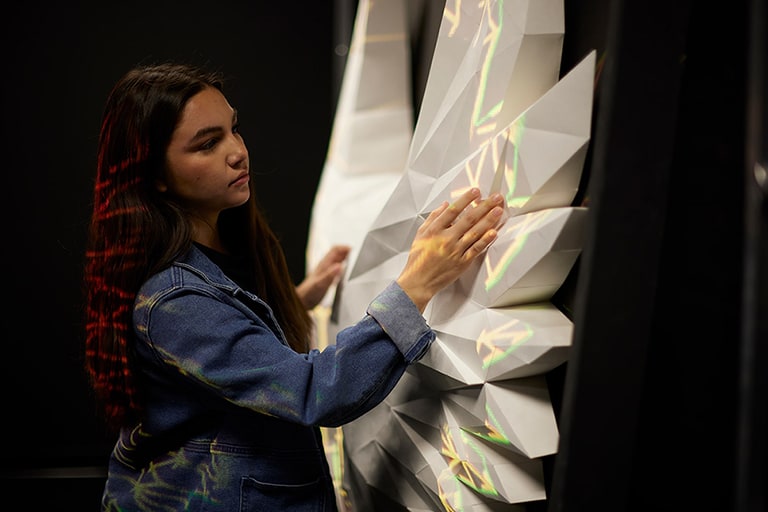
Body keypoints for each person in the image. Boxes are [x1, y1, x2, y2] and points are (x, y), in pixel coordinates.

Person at [83, 62, 503, 512]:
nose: (237, 152)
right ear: (156, 174)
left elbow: (224, 348)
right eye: (207, 144)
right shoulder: (172, 302)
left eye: (234, 129)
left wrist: (296, 301)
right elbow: (314, 393)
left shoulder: (217, 244)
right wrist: (418, 283)